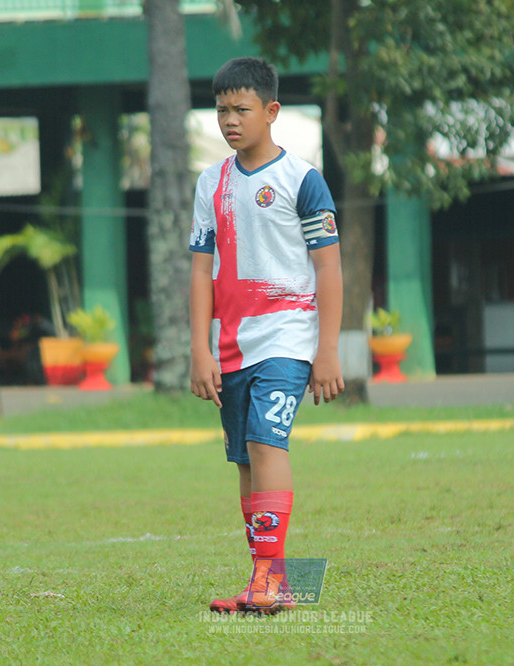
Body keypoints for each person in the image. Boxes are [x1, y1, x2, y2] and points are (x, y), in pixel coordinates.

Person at [189, 57, 345, 614]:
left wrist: (328, 349)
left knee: (265, 443)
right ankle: (266, 578)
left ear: (271, 111)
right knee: (244, 460)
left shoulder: (302, 179)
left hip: (289, 335)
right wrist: (199, 348)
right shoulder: (210, 183)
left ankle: (271, 580)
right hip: (231, 345)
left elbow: (328, 267)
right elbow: (201, 271)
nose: (230, 120)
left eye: (242, 109)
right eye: (221, 110)